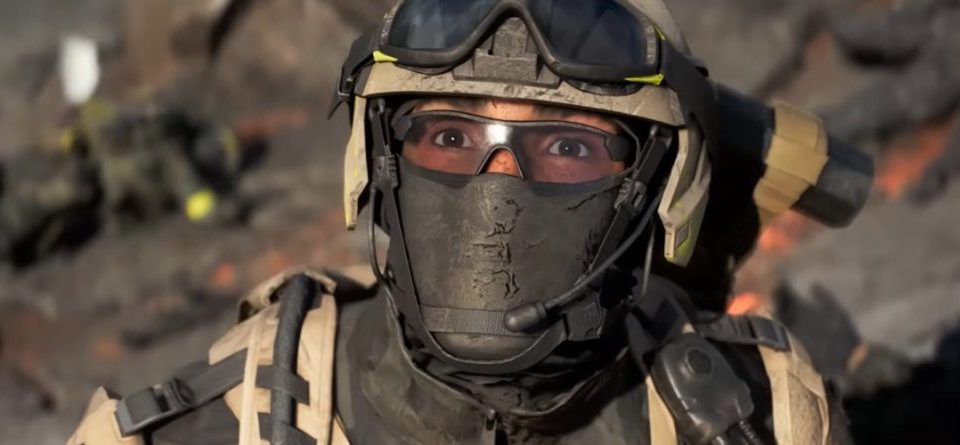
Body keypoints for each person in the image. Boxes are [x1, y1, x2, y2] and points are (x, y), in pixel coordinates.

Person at [69, 1, 858, 444]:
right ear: (378, 163)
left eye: (568, 146)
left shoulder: (768, 416)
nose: (497, 189)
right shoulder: (197, 433)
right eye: (450, 137)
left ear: (659, 185)